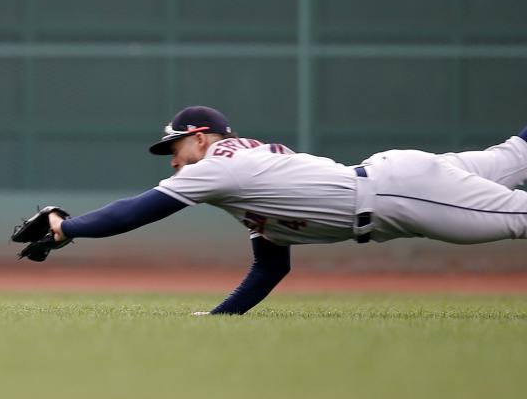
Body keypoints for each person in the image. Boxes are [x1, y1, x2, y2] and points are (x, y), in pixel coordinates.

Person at [43, 105, 527, 315]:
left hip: (396, 195)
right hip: (396, 181)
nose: (172, 159)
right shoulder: (245, 176)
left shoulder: (217, 169)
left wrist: (68, 227)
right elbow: (272, 265)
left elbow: (137, 212)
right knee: (513, 157)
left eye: (175, 146)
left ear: (200, 137)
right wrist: (222, 317)